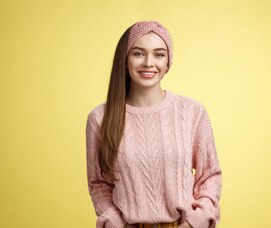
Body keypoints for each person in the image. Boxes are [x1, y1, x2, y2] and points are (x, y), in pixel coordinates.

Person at [85, 21, 222, 228]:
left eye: (159, 54)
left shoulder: (192, 112)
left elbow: (209, 176)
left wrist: (195, 223)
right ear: (125, 60)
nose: (148, 62)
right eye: (138, 53)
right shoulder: (100, 118)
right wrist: (115, 223)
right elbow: (99, 183)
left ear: (168, 62)